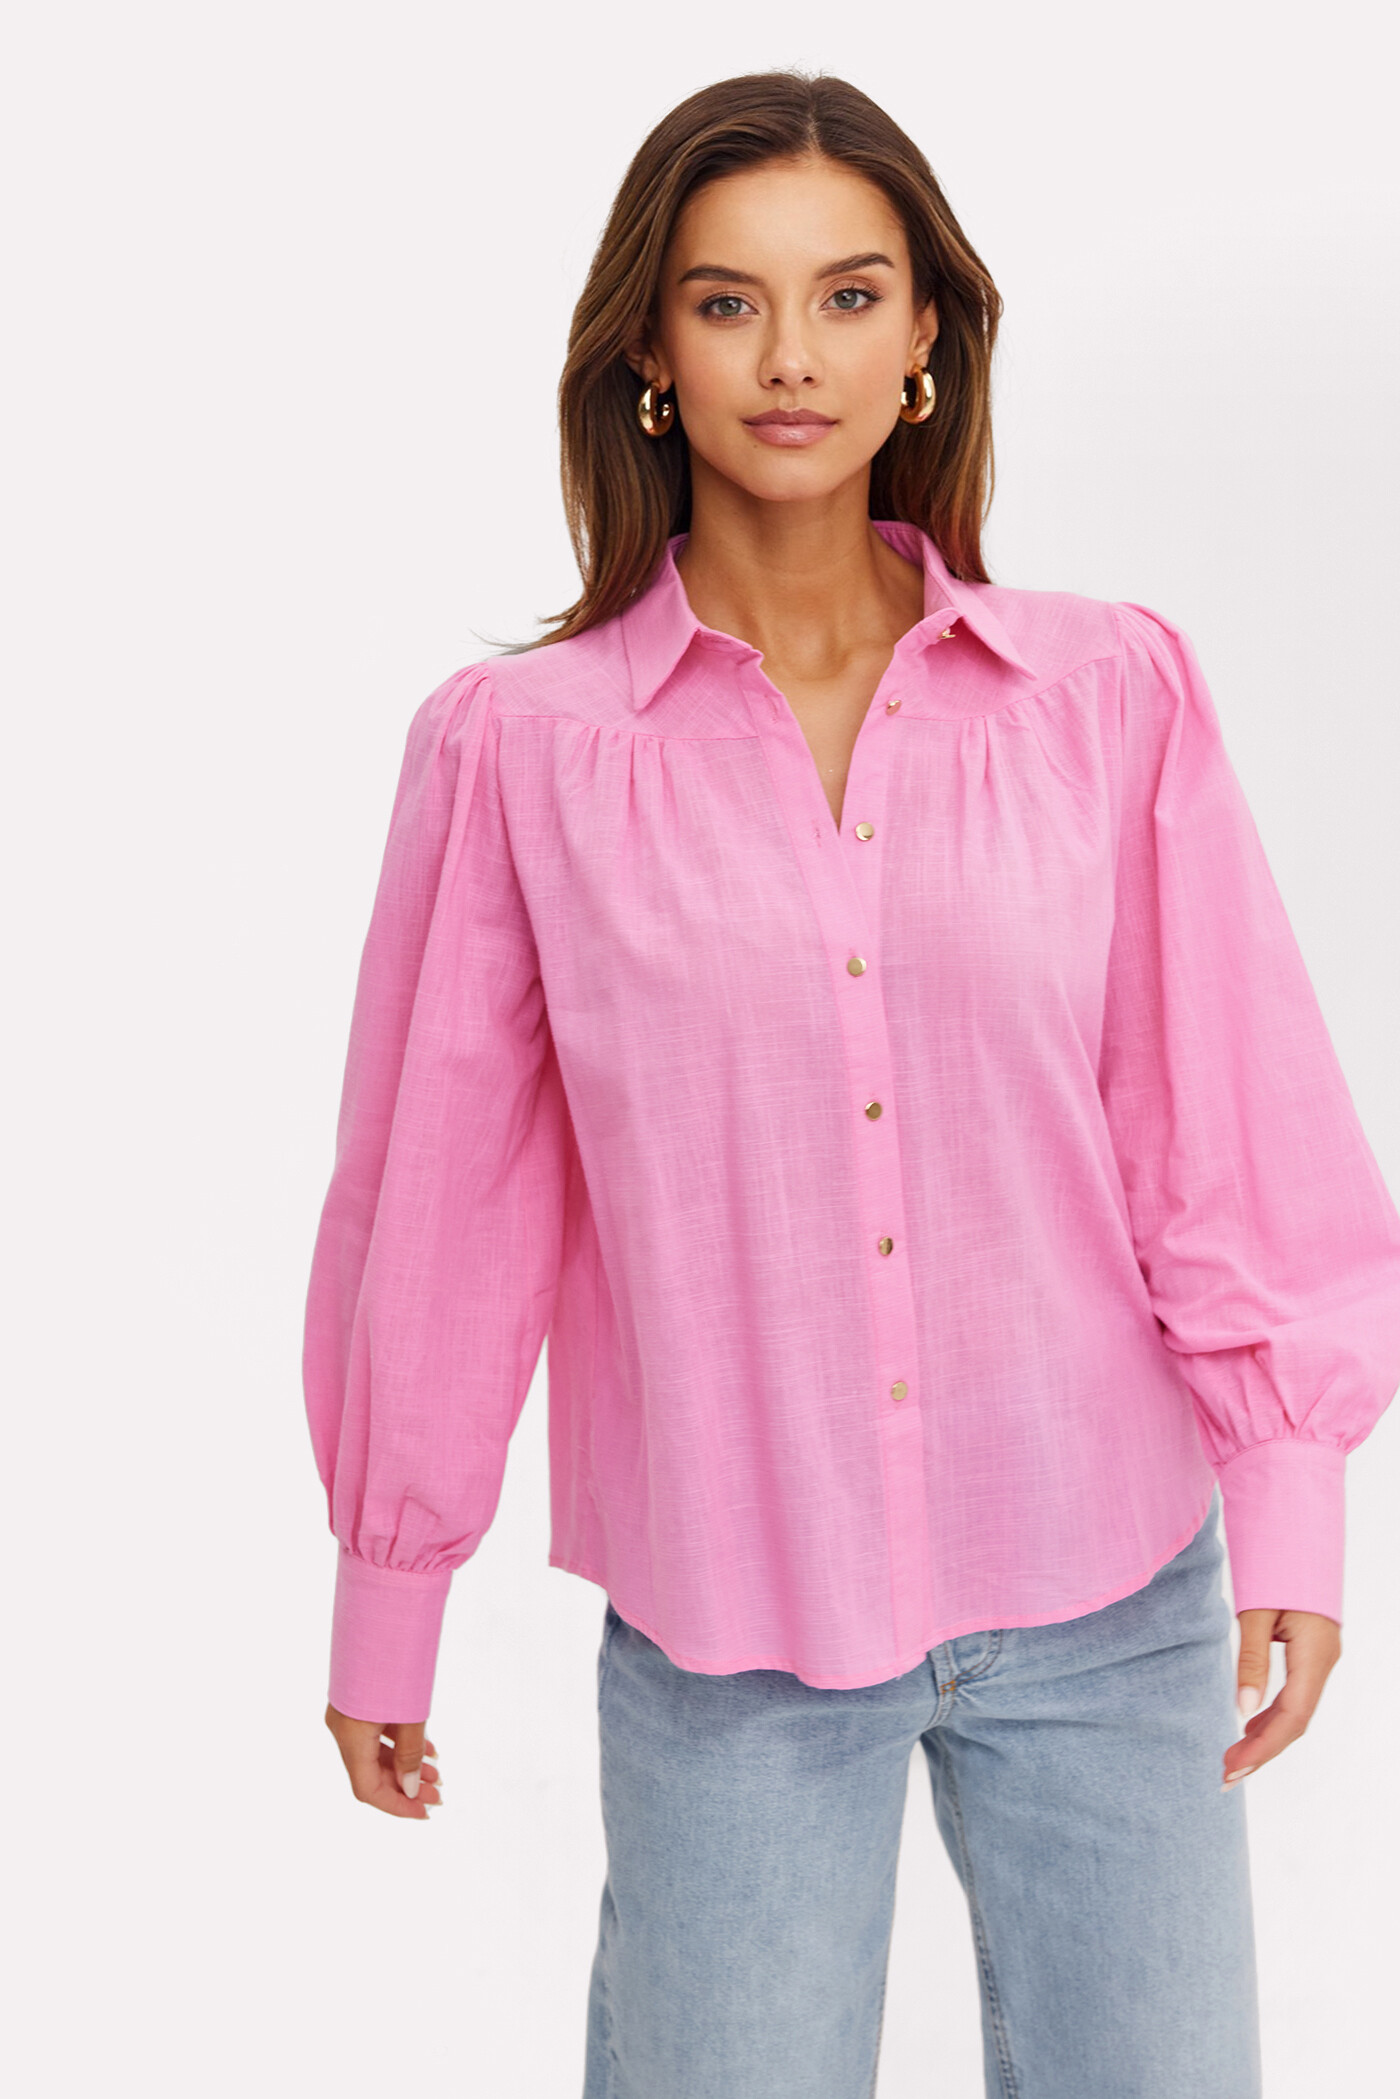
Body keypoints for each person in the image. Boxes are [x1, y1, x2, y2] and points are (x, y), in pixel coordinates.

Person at [302, 69, 1400, 2099]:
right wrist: (390, 1581)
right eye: (728, 302)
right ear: (649, 351)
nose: (790, 356)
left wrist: (1292, 1500)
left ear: (924, 342)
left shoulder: (1105, 695)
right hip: (734, 1621)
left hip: (1110, 1595)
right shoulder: (519, 756)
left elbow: (1219, 1123)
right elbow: (440, 1207)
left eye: (847, 295)